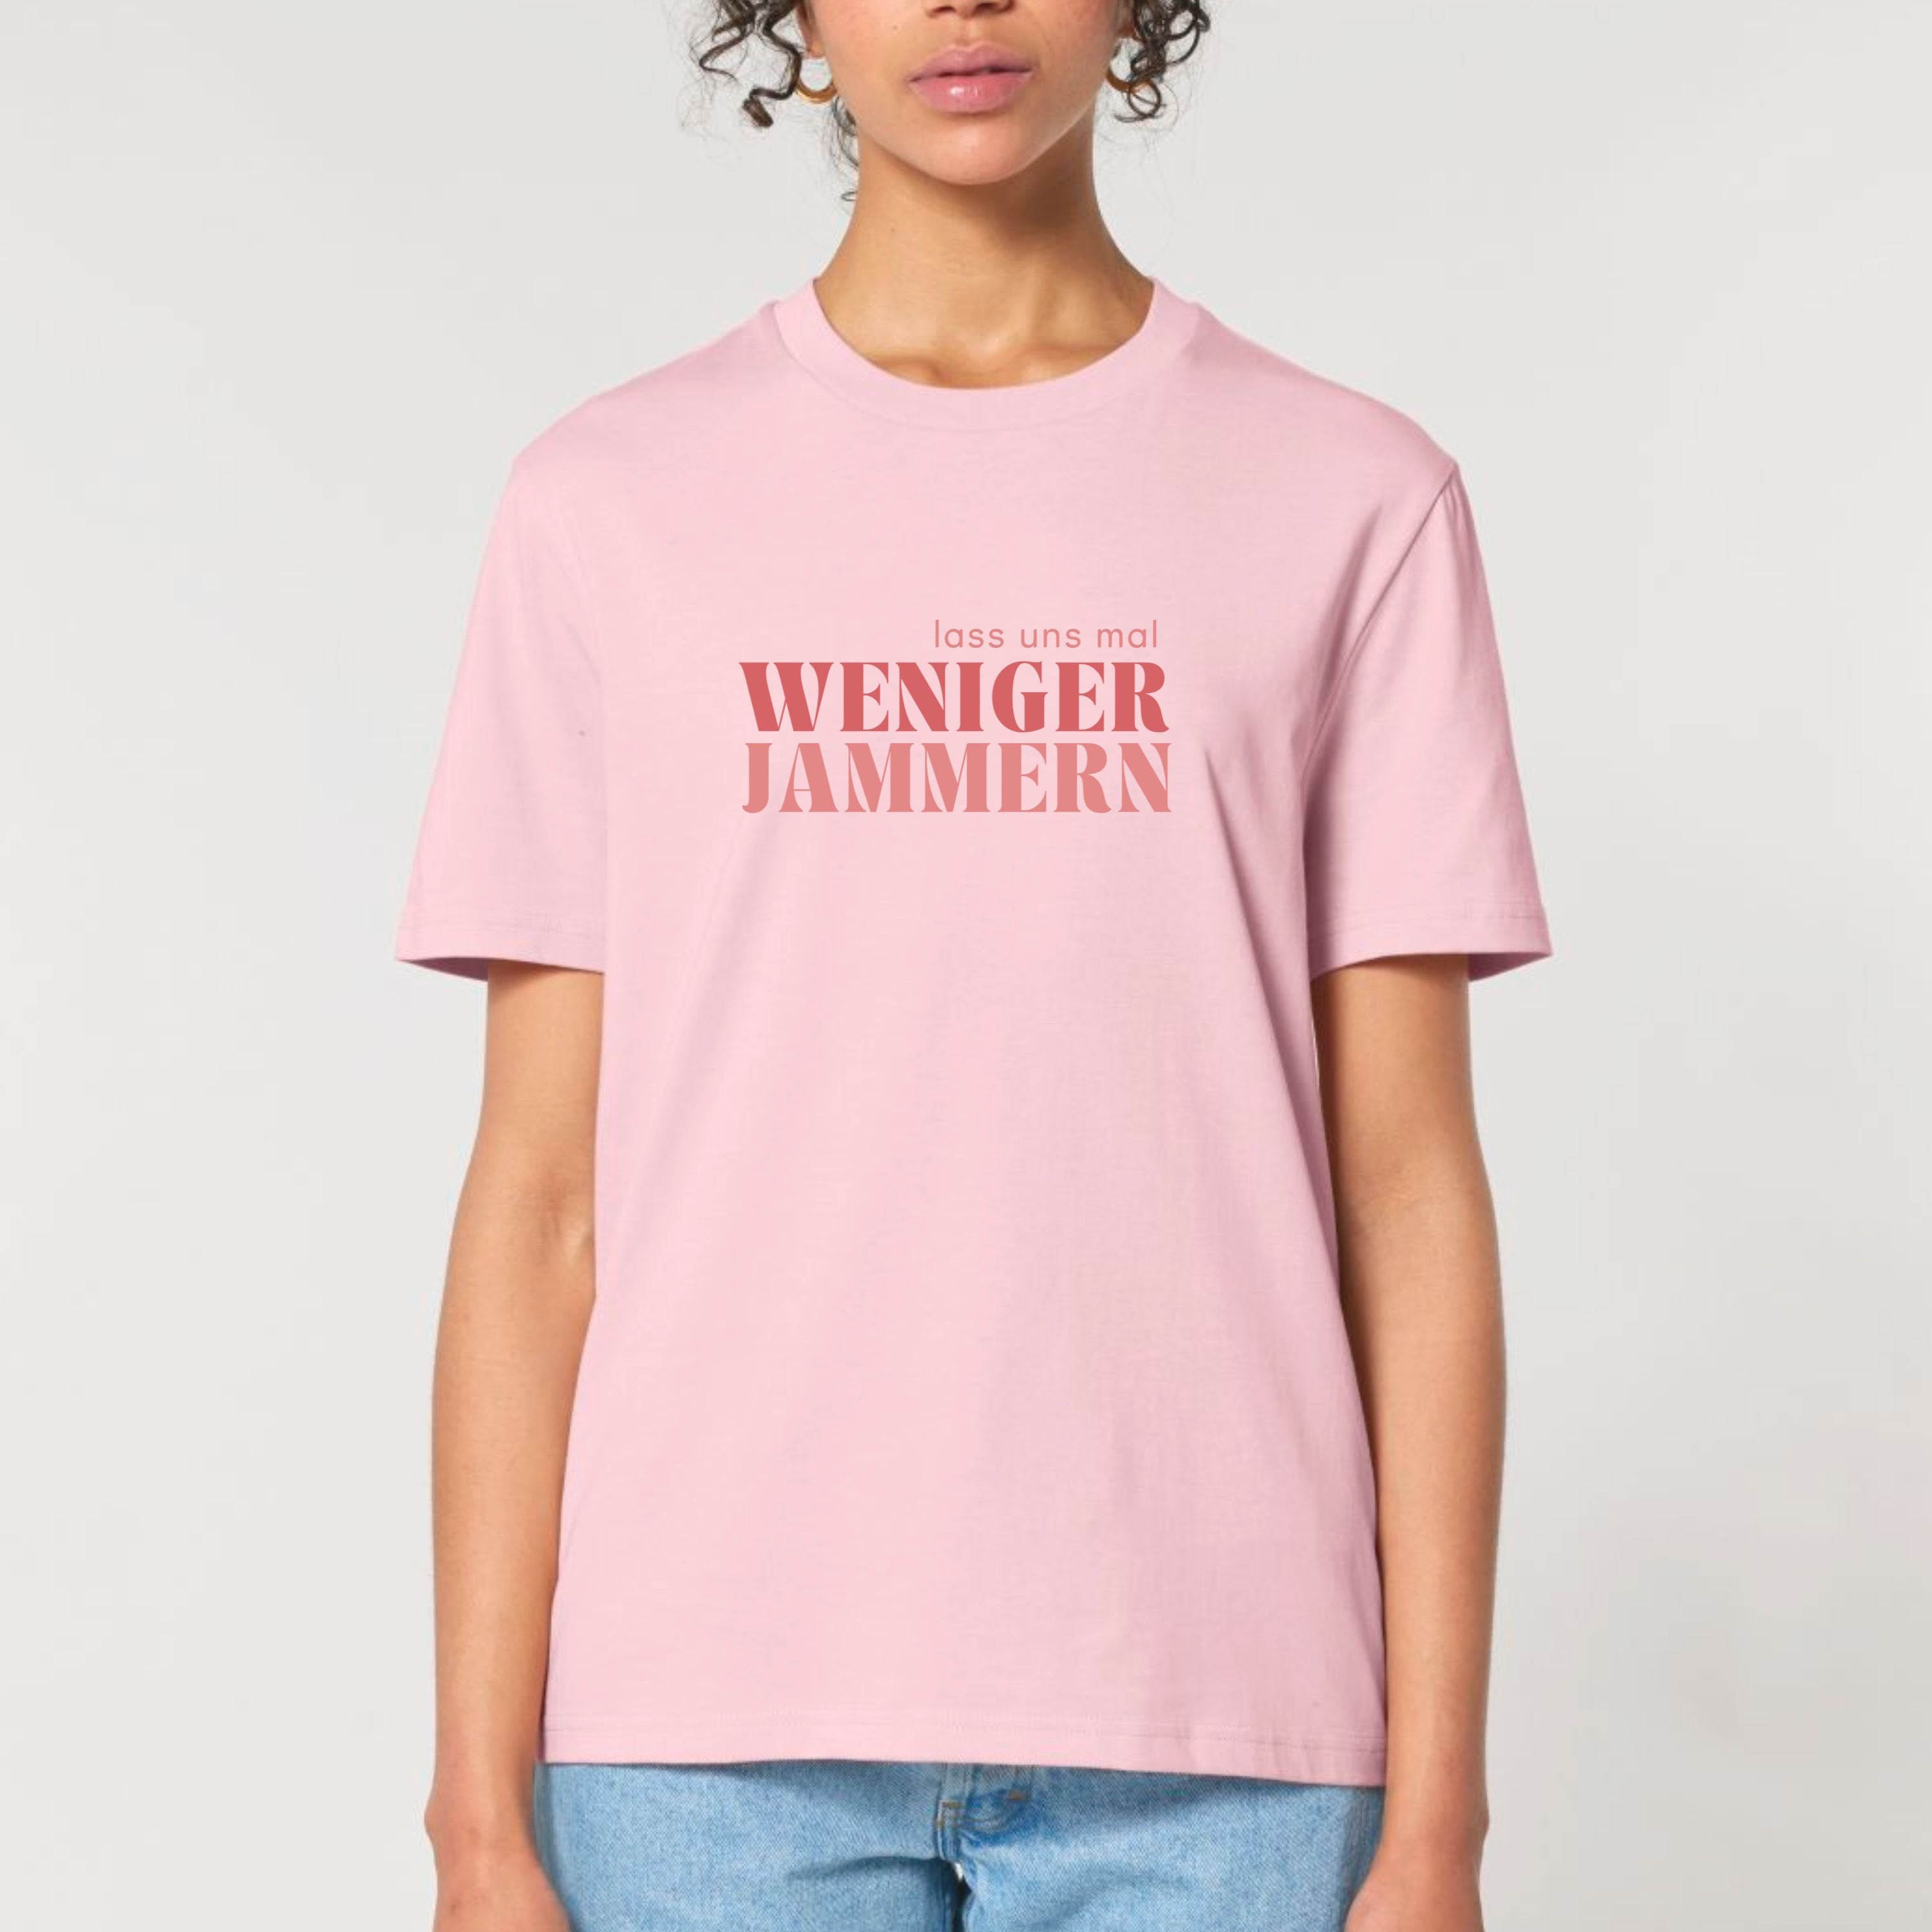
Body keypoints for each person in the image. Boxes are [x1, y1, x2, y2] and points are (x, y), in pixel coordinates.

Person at [392, 4, 1554, 1928]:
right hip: (699, 1744)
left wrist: (1441, 1829)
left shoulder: (1355, 498)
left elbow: (1411, 1198)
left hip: (1226, 1742)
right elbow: (539, 1204)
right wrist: (472, 1823)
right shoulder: (605, 505)